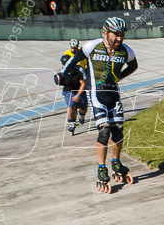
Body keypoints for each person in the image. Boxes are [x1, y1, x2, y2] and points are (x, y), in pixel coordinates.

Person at [56, 17, 139, 191]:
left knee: (118, 129)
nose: (119, 38)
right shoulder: (91, 47)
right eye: (115, 34)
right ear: (105, 33)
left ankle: (116, 163)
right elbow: (74, 60)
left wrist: (119, 77)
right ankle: (102, 168)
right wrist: (61, 74)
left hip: (114, 94)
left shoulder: (126, 51)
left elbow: (133, 66)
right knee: (105, 130)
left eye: (122, 35)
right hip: (96, 95)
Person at [59, 38, 88, 135]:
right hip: (70, 87)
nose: (73, 49)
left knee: (83, 106)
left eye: (75, 48)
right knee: (71, 105)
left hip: (80, 75)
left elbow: (85, 64)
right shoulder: (67, 54)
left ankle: (82, 114)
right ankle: (71, 123)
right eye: (72, 48)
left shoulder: (81, 54)